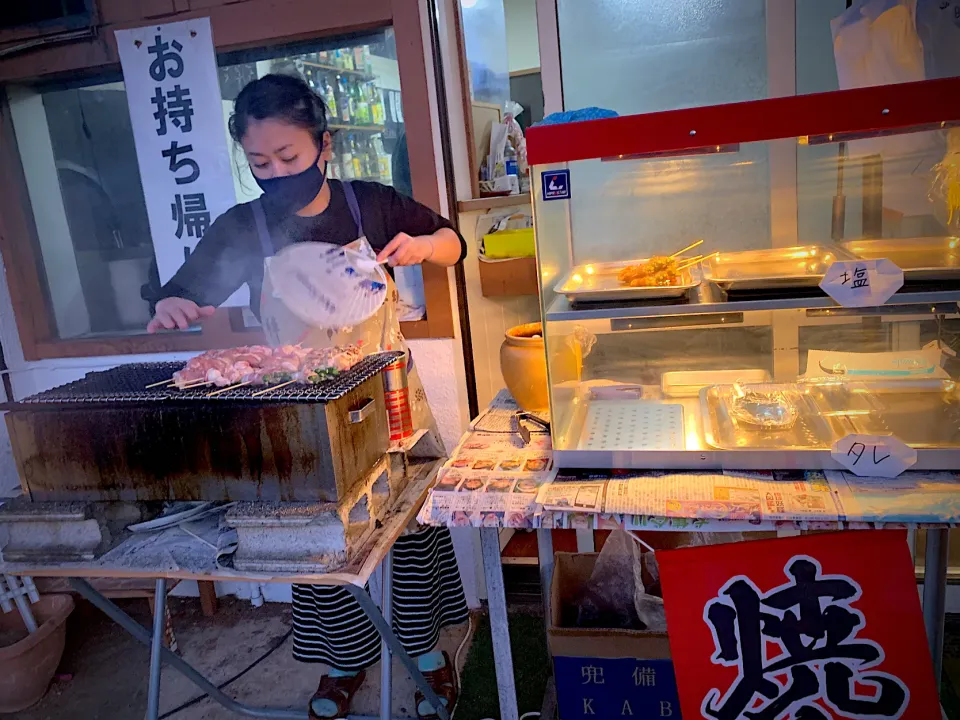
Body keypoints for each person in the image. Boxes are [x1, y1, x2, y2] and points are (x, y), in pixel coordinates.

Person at [145, 73, 468, 720]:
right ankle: (345, 660)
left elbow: (453, 244)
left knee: (408, 528)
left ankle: (426, 652)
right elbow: (182, 288)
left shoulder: (368, 203)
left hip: (387, 395)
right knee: (316, 537)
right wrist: (172, 302)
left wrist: (426, 245)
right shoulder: (246, 225)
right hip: (299, 408)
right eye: (259, 162)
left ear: (324, 145)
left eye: (288, 158)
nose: (274, 173)